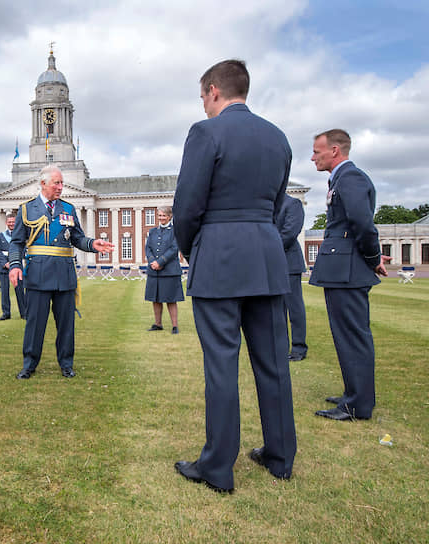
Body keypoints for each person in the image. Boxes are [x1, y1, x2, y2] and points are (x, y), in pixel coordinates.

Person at [172, 60, 297, 493]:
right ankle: (280, 457)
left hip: (220, 259)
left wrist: (191, 249)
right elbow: (280, 204)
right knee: (274, 364)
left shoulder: (205, 132)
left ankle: (218, 468)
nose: (203, 105)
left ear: (213, 91)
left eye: (203, 97)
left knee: (222, 365)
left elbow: (187, 206)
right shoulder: (278, 138)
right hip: (266, 257)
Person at [309, 129, 387, 421]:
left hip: (347, 270)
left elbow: (362, 224)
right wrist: (372, 256)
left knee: (352, 336)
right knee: (347, 336)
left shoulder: (350, 177)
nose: (313, 157)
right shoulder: (342, 178)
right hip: (344, 268)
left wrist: (372, 257)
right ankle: (355, 393)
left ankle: (357, 404)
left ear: (335, 151)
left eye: (317, 152)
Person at [9, 165, 114, 379]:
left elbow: (77, 238)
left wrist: (93, 244)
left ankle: (66, 363)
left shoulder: (68, 208)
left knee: (66, 324)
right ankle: (29, 364)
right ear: (43, 183)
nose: (60, 187)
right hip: (38, 274)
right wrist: (14, 265)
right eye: (56, 183)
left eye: (61, 183)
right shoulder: (27, 209)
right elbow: (17, 242)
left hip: (64, 275)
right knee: (35, 324)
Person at [277, 194, 308, 361]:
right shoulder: (268, 204)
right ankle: (280, 347)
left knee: (294, 309)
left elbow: (289, 233)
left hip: (289, 264)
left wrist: (267, 247)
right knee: (276, 310)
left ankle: (298, 348)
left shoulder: (292, 203)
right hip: (272, 265)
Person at [144, 206, 183, 334]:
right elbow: (147, 248)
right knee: (155, 298)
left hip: (170, 271)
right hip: (154, 270)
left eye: (163, 216)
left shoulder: (175, 231)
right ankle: (158, 324)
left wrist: (160, 262)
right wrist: (152, 262)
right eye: (159, 215)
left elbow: (174, 248)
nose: (161, 218)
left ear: (170, 216)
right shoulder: (153, 231)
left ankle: (175, 326)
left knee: (171, 299)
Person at [0, 213, 26, 321]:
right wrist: (5, 263)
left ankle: (24, 312)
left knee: (20, 290)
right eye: (9, 222)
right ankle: (6, 313)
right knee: (4, 291)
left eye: (13, 222)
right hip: (3, 267)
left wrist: (13, 262)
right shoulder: (0, 236)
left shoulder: (20, 235)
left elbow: (23, 250)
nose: (11, 224)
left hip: (17, 266)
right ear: (6, 223)